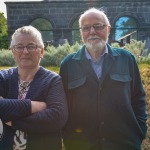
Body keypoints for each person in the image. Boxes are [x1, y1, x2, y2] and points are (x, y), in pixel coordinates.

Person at [59, 7, 148, 150]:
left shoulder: (127, 59)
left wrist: (140, 131)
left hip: (125, 144)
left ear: (108, 29)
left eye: (98, 26)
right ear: (81, 32)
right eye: (86, 28)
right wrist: (67, 136)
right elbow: (62, 106)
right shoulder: (68, 65)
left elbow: (139, 98)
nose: (92, 32)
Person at [0, 25, 68, 150]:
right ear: (13, 52)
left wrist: (13, 121)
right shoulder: (3, 78)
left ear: (41, 51)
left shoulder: (52, 80)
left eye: (31, 46)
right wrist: (32, 106)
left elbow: (57, 117)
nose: (25, 51)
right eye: (19, 47)